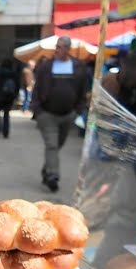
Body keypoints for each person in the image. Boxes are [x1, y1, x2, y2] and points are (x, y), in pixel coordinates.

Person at [29, 36, 89, 192]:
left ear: (68, 49)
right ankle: (53, 176)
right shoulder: (47, 66)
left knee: (56, 146)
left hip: (68, 115)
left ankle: (47, 170)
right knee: (52, 145)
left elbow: (83, 91)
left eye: (61, 47)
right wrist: (37, 109)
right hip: (47, 114)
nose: (57, 49)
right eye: (57, 46)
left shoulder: (78, 67)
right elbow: (37, 88)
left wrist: (78, 111)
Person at [0, 56, 19, 139]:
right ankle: (5, 132)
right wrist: (15, 95)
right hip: (9, 97)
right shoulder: (14, 74)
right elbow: (17, 86)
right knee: (6, 114)